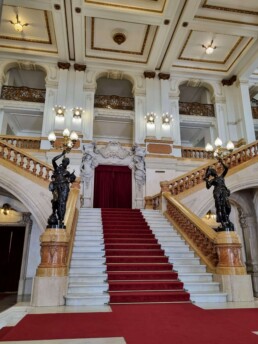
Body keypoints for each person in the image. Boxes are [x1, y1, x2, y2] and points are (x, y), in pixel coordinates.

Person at [47, 150, 76, 228]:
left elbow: (71, 180)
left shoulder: (67, 172)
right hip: (57, 186)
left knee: (63, 203)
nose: (65, 163)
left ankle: (61, 219)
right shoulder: (57, 169)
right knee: (55, 201)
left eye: (67, 162)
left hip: (65, 187)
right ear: (63, 162)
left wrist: (72, 177)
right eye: (65, 162)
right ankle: (54, 213)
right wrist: (61, 154)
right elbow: (53, 160)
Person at [204, 159, 234, 231]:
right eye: (212, 171)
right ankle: (223, 222)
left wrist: (221, 162)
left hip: (224, 192)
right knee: (220, 207)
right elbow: (208, 187)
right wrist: (207, 180)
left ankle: (227, 219)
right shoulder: (212, 180)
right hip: (217, 192)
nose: (214, 172)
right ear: (211, 174)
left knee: (228, 206)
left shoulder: (221, 177)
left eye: (213, 171)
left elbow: (226, 168)